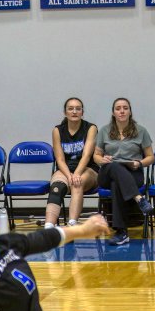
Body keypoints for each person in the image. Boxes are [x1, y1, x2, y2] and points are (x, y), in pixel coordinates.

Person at [93, 97, 154, 248]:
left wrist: (139, 163)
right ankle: (139, 198)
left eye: (125, 108)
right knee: (114, 166)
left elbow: (151, 157)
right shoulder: (104, 131)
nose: (122, 111)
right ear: (113, 113)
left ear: (130, 112)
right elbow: (96, 156)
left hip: (132, 172)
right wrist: (102, 159)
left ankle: (121, 232)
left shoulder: (141, 131)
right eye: (118, 108)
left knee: (117, 184)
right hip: (107, 172)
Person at [44, 97, 98, 229]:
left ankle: (72, 225)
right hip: (65, 169)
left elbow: (86, 155)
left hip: (88, 169)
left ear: (82, 112)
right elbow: (60, 159)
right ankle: (48, 227)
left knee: (77, 184)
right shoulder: (57, 130)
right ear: (65, 112)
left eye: (78, 109)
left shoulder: (91, 128)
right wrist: (69, 176)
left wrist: (76, 174)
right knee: (56, 187)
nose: (74, 111)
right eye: (71, 109)